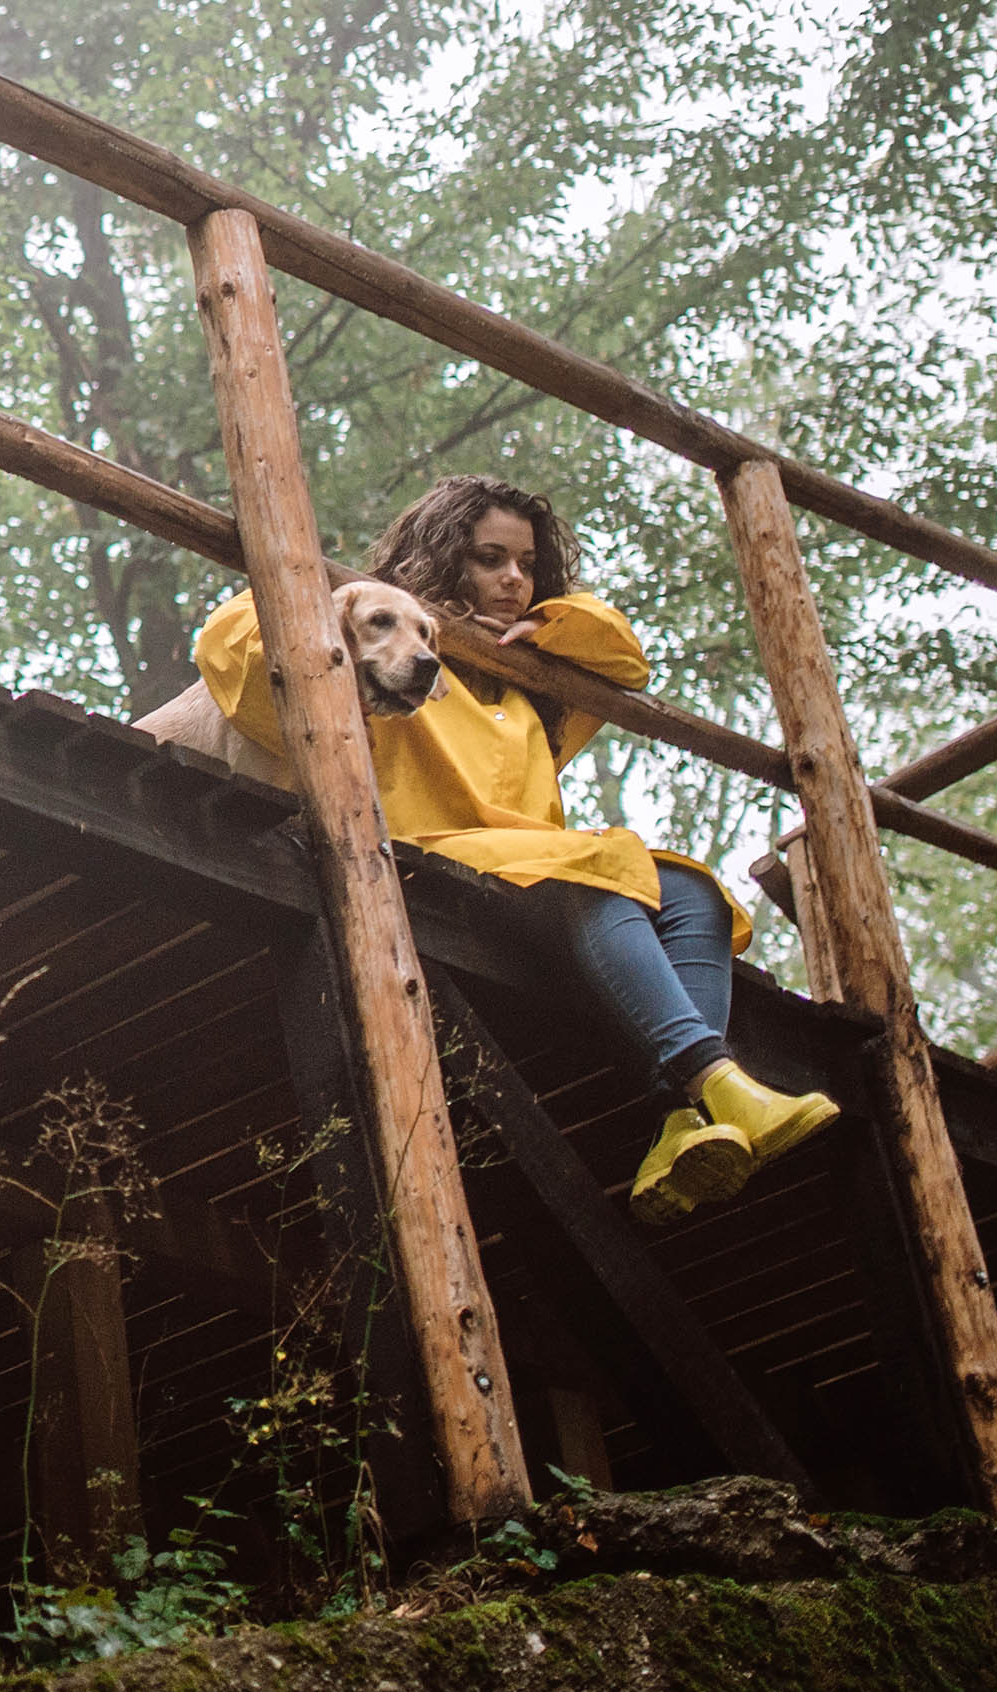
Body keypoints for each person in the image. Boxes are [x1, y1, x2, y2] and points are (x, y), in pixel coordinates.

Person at [188, 474, 839, 1225]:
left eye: (527, 565)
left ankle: (682, 1120)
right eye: (489, 558)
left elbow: (624, 658)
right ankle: (715, 1076)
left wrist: (550, 629)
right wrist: (346, 618)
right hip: (429, 853)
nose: (513, 580)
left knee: (691, 892)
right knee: (598, 877)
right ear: (440, 555)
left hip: (531, 862)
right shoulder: (373, 664)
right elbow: (234, 642)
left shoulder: (531, 689)